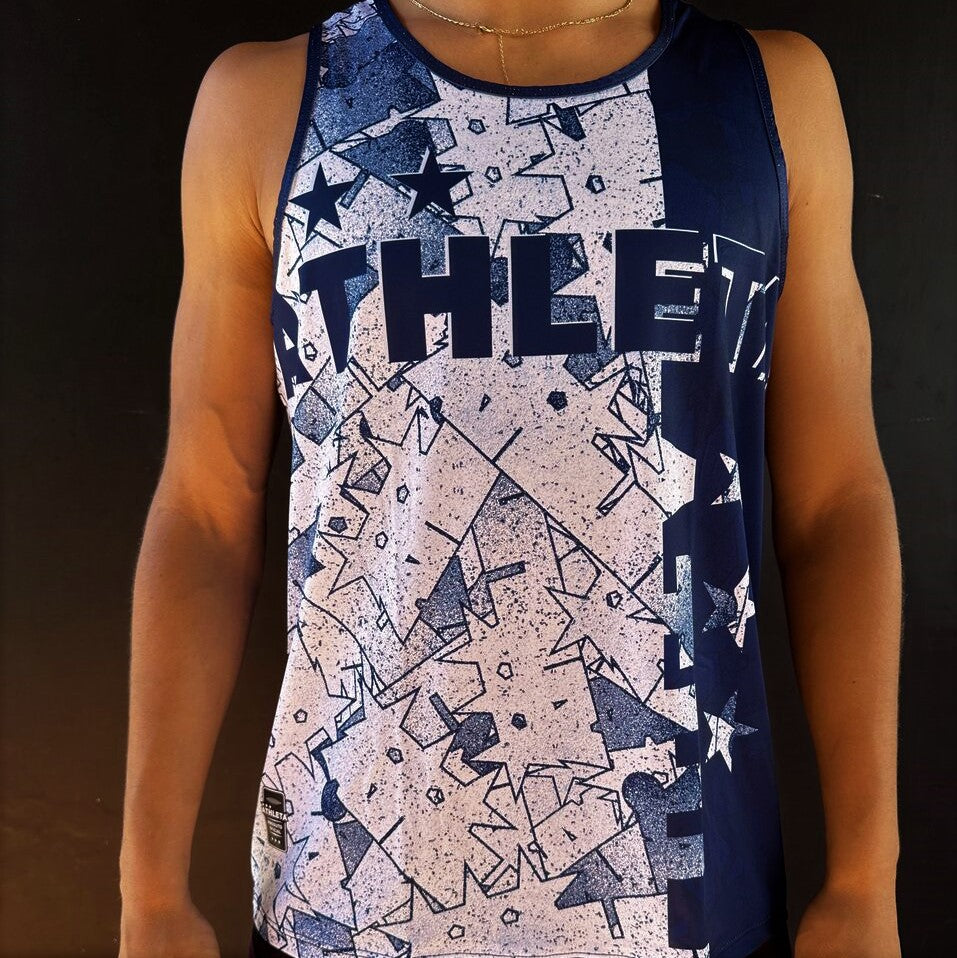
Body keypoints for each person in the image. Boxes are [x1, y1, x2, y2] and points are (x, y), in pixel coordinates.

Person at [117, 1, 903, 956]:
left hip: (689, 910)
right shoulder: (272, 103)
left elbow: (834, 504)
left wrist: (866, 877)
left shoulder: (768, 98)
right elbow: (207, 509)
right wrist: (149, 891)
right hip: (348, 900)